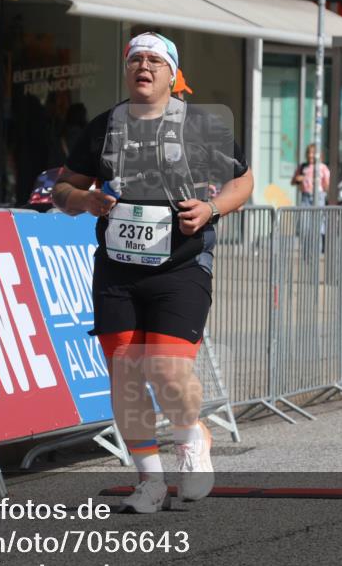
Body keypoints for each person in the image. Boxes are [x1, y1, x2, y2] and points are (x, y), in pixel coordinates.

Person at [53, 32, 254, 513]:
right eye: (135, 60)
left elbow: (243, 179)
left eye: (153, 60)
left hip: (182, 265)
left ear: (171, 73)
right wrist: (86, 200)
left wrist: (211, 209)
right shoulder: (105, 127)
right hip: (118, 269)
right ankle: (149, 479)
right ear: (128, 72)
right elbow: (62, 190)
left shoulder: (201, 126)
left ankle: (192, 439)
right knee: (125, 377)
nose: (143, 66)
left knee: (166, 370)